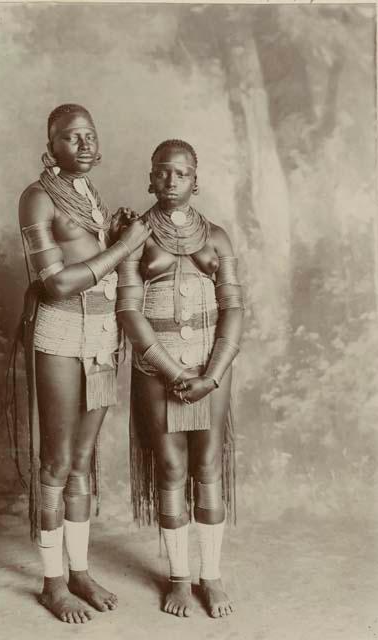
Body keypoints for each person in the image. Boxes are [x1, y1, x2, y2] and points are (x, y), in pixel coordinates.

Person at [17, 104, 150, 624]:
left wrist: (121, 239)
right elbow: (55, 283)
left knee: (83, 461)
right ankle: (52, 584)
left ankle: (78, 570)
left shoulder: (92, 196)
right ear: (52, 148)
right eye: (72, 138)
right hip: (59, 332)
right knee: (55, 461)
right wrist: (123, 247)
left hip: (101, 336)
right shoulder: (35, 198)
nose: (85, 144)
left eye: (90, 135)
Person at [116, 139, 244, 619]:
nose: (172, 180)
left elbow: (234, 308)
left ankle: (210, 577)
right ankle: (178, 579)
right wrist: (171, 371)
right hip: (157, 367)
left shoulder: (218, 237)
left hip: (212, 366)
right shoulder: (134, 235)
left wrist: (211, 375)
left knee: (208, 467)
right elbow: (128, 309)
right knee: (170, 469)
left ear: (196, 180)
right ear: (150, 177)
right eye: (163, 172)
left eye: (182, 173)